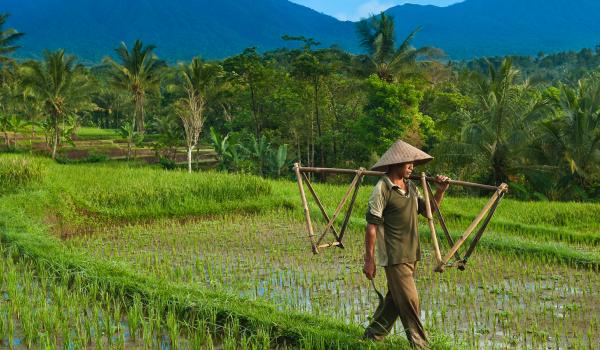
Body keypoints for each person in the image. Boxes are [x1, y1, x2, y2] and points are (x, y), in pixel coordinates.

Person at [362, 140, 449, 349]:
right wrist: (369, 260)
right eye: (409, 163)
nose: (412, 167)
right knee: (411, 302)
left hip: (411, 254)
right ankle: (420, 346)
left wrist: (440, 190)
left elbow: (428, 211)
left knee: (395, 300)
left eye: (413, 164)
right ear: (396, 163)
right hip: (394, 256)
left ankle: (372, 336)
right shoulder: (382, 188)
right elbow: (371, 226)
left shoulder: (411, 186)